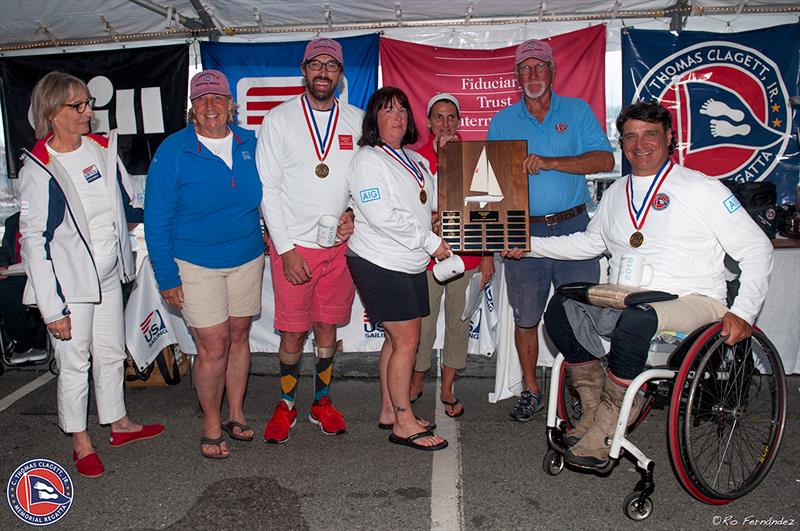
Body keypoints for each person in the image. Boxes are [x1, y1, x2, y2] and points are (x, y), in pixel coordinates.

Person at [529, 100, 773, 469]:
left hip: (694, 300)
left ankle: (613, 418)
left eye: (649, 135)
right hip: (630, 298)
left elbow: (757, 249)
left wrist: (744, 311)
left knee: (637, 320)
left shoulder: (702, 188)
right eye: (630, 136)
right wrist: (527, 245)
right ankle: (595, 407)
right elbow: (590, 244)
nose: (639, 144)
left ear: (669, 138)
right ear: (622, 143)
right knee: (560, 309)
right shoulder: (615, 193)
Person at [18, 71, 164, 478]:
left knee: (112, 353)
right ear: (52, 112)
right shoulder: (39, 166)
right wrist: (53, 309)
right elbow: (34, 242)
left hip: (107, 275)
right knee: (74, 362)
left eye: (89, 103)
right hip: (69, 287)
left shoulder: (102, 148)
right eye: (79, 105)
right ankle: (81, 441)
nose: (89, 112)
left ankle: (118, 423)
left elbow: (129, 202)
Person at [487, 39, 614, 421]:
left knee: (580, 313)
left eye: (539, 67)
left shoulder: (576, 112)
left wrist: (553, 161)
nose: (532, 76)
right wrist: (503, 235)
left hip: (574, 227)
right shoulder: (502, 121)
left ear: (552, 73)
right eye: (524, 69)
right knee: (526, 316)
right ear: (516, 77)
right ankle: (530, 390)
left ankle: (582, 391)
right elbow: (493, 185)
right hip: (524, 231)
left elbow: (605, 157)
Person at [145, 70, 264, 459]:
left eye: (217, 98)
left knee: (240, 335)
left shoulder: (252, 142)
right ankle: (211, 424)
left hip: (247, 256)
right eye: (201, 100)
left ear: (232, 104)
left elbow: (277, 192)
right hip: (195, 261)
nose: (210, 106)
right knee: (212, 345)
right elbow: (156, 218)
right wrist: (166, 275)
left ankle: (235, 412)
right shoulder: (174, 150)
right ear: (191, 109)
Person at [256, 38, 361, 443]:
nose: (323, 72)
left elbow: (361, 180)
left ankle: (322, 401)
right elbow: (268, 189)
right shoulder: (279, 119)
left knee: (326, 327)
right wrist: (285, 250)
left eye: (330, 66)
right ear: (304, 70)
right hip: (295, 248)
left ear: (339, 74)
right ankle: (286, 405)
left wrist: (352, 212)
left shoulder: (355, 119)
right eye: (315, 65)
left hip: (339, 249)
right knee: (292, 333)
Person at [347, 86, 450, 451]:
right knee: (407, 339)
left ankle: (391, 411)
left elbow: (430, 205)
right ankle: (404, 422)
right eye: (388, 110)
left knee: (396, 340)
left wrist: (439, 224)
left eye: (403, 110)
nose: (398, 117)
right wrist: (430, 243)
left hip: (407, 262)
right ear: (374, 118)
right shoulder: (367, 159)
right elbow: (380, 216)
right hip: (379, 261)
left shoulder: (415, 159)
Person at [409, 93, 494, 418]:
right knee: (423, 323)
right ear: (429, 122)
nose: (445, 123)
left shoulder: (475, 157)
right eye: (439, 117)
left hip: (469, 255)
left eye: (451, 117)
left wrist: (487, 255)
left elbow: (488, 208)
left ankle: (448, 386)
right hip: (427, 257)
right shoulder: (414, 159)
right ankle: (417, 378)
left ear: (459, 121)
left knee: (459, 324)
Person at [0, 212, 47, 364]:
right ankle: (21, 343)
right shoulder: (12, 221)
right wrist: (2, 264)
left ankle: (39, 343)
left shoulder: (46, 216)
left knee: (39, 287)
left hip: (42, 270)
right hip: (17, 272)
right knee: (5, 288)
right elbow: (5, 250)